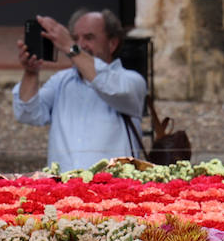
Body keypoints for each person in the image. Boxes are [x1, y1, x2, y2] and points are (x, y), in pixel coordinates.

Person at [13, 9, 148, 171]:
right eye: (76, 38)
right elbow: (27, 114)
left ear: (112, 44)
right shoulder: (60, 81)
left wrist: (70, 46)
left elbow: (113, 88)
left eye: (89, 38)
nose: (81, 45)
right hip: (65, 189)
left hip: (113, 189)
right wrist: (30, 72)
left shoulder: (131, 80)